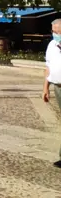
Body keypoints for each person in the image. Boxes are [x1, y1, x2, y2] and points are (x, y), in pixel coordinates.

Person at [43, 19, 61, 168]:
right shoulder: (51, 45)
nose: (54, 34)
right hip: (58, 87)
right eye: (53, 31)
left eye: (57, 31)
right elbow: (48, 66)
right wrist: (45, 87)